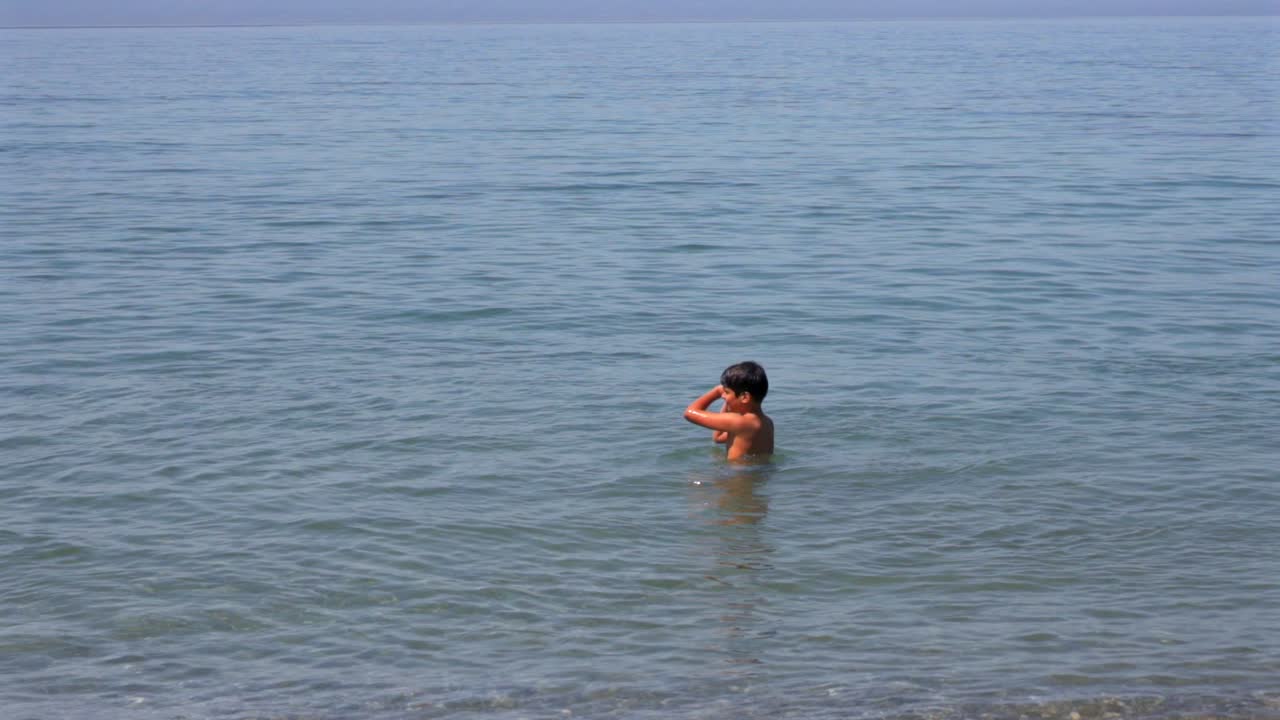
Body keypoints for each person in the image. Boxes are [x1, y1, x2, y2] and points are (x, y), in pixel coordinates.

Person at [683, 361, 774, 462]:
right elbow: (718, 438)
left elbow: (689, 412)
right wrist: (728, 402)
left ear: (744, 397)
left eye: (726, 392)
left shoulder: (738, 421)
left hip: (736, 477)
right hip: (760, 476)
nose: (723, 396)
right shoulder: (767, 422)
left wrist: (716, 392)